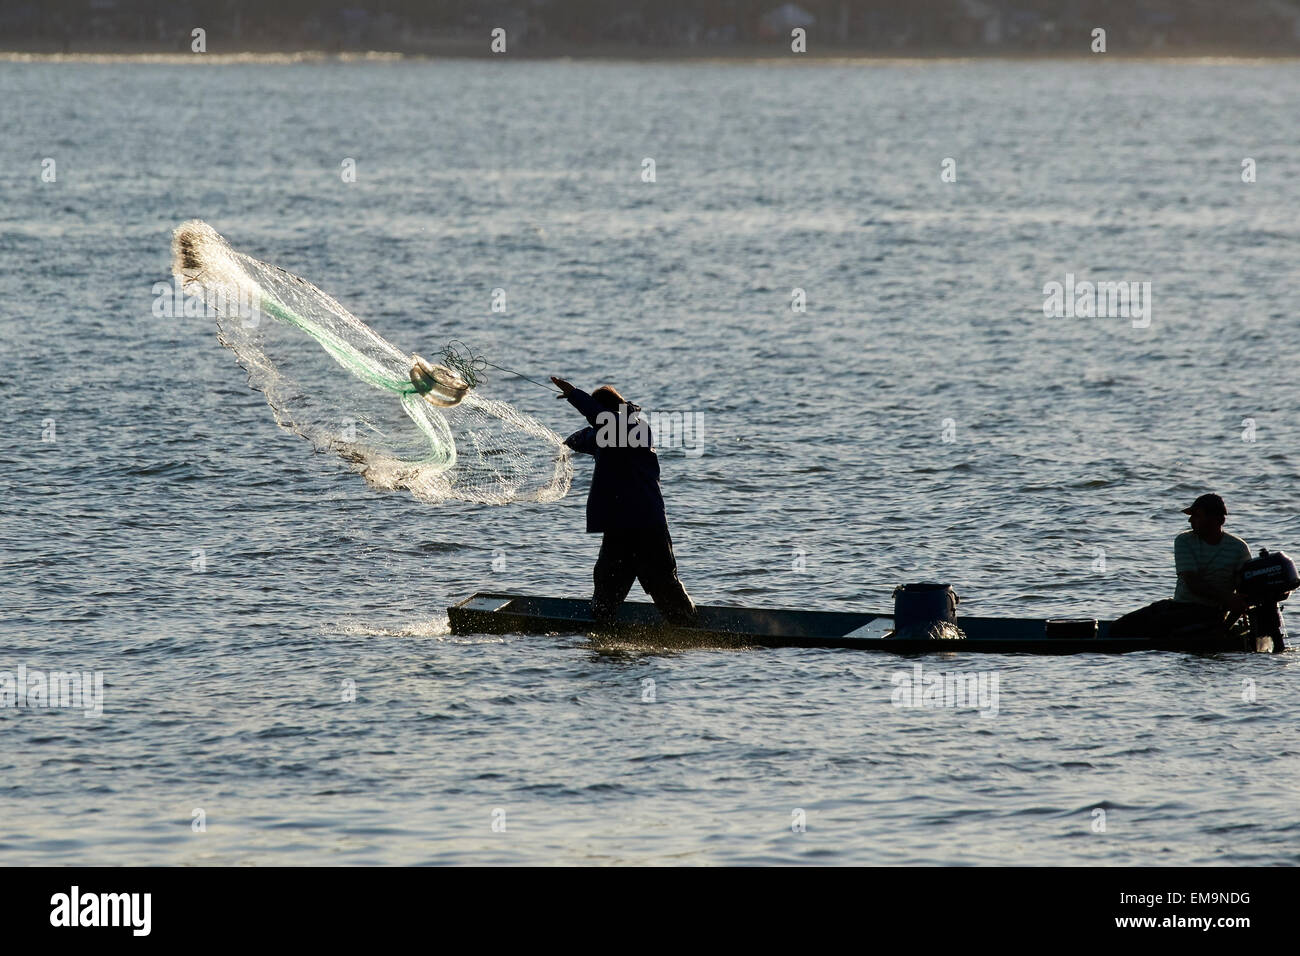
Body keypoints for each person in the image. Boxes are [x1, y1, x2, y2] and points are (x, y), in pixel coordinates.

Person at [550, 376, 697, 627]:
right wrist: (565, 444)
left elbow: (603, 424)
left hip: (646, 525)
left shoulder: (635, 430)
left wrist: (575, 394)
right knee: (607, 585)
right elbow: (585, 437)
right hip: (619, 527)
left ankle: (690, 628)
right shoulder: (605, 437)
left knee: (663, 583)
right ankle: (601, 634)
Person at [1109, 494, 1252, 638]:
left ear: (1218, 520)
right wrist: (1227, 598)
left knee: (1152, 627)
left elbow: (1244, 598)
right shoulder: (1184, 540)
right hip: (1178, 605)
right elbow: (1192, 582)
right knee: (1117, 628)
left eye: (1197, 516)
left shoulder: (1238, 548)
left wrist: (1224, 627)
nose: (1190, 520)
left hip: (1211, 613)